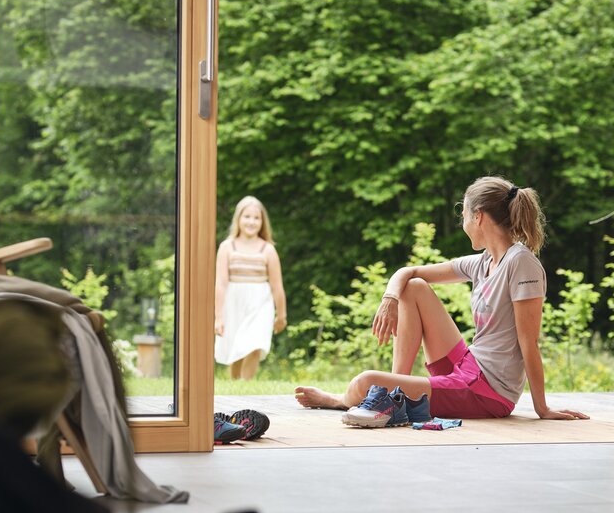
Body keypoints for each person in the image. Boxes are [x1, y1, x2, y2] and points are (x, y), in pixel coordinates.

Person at [295, 176, 589, 425]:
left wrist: (542, 409)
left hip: (487, 391)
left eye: (463, 216)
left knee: (364, 382)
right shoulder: (484, 261)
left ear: (479, 217)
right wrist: (390, 298)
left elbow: (529, 342)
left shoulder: (521, 263)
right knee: (415, 288)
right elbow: (408, 273)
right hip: (469, 366)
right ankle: (395, 395)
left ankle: (352, 399)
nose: (463, 224)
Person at [214, 196, 287, 380]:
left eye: (256, 218)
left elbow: (277, 286)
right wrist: (218, 317)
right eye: (247, 216)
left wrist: (281, 315)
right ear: (238, 219)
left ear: (262, 222)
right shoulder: (226, 247)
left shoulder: (268, 250)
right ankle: (235, 384)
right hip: (234, 302)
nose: (251, 222)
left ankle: (246, 384)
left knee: (255, 344)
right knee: (236, 347)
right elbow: (221, 284)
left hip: (260, 303)